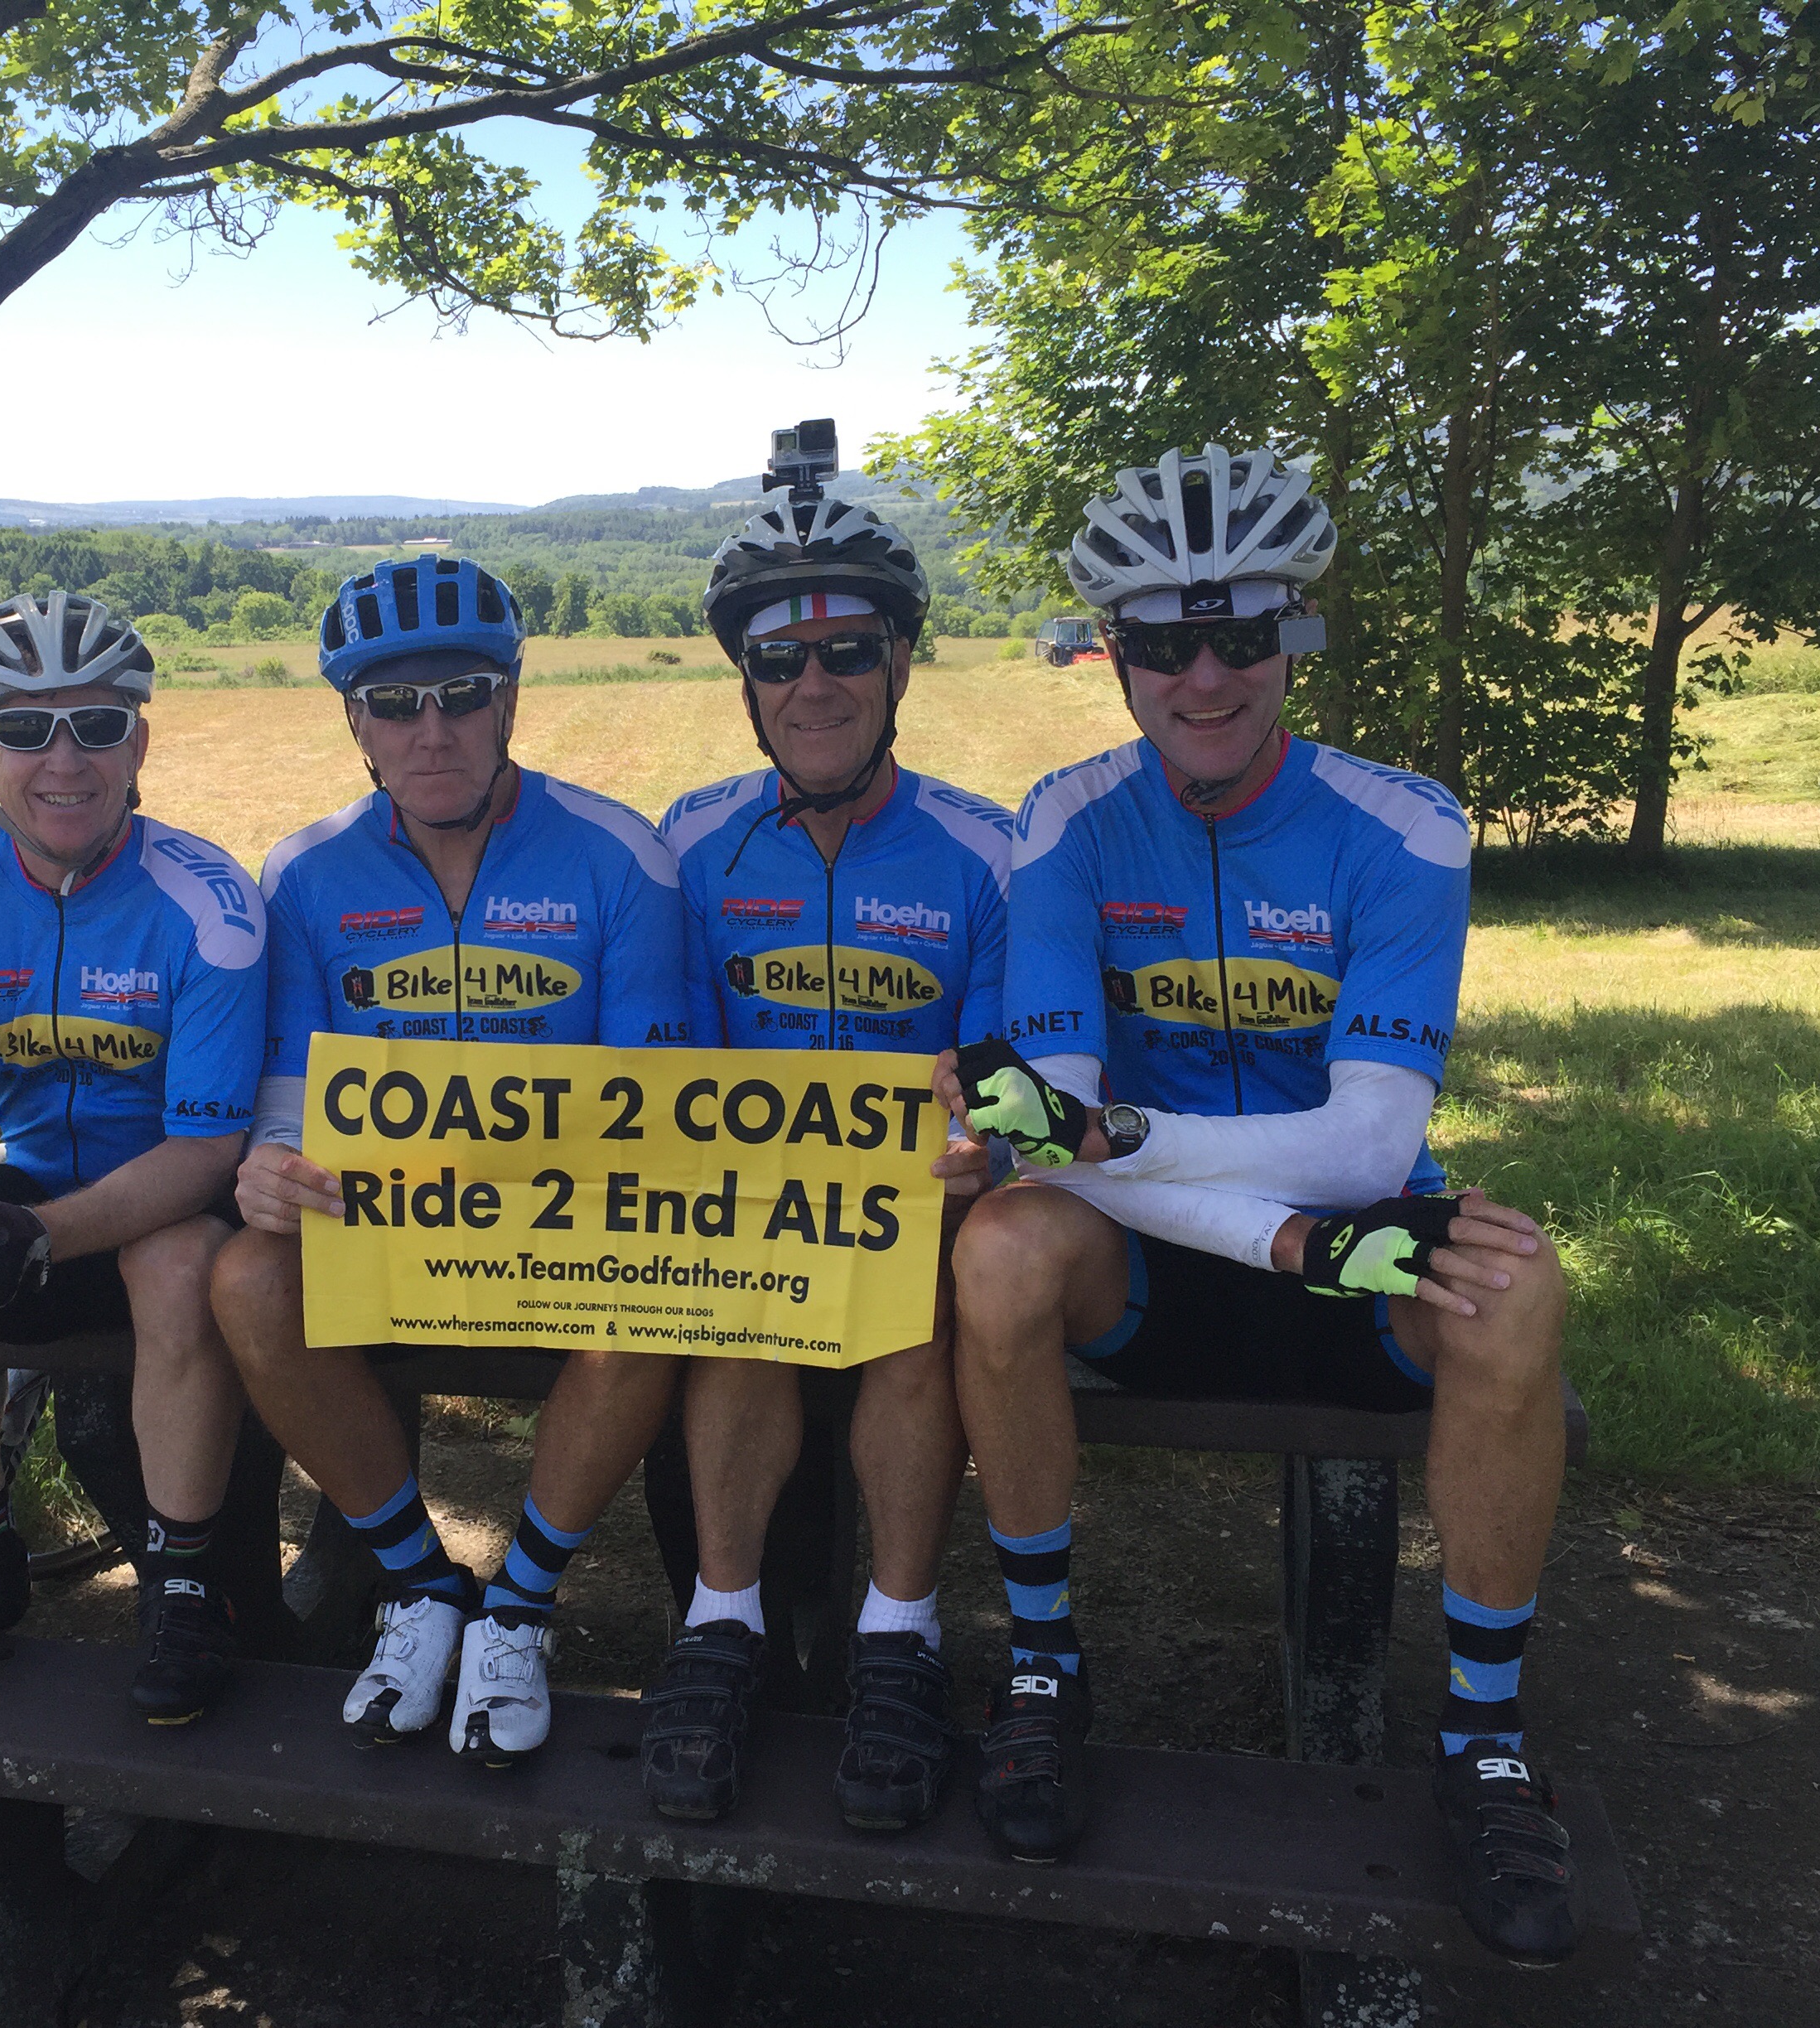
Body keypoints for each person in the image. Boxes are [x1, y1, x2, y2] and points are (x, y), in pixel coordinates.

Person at [934, 445, 1579, 1964]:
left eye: (1240, 635)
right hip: (1166, 1264)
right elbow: (1048, 1153)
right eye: (1164, 643)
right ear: (1117, 656)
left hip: (1356, 1241)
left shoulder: (1404, 827)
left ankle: (1485, 1745)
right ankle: (1043, 1667)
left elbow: (1365, 1149)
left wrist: (1120, 1140)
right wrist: (1267, 1228)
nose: (1205, 677)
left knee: (1515, 1291)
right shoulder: (1066, 821)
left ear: (1295, 636)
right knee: (1003, 1248)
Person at [212, 555, 694, 1767]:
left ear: (510, 699)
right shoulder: (305, 873)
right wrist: (273, 1164)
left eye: (463, 696)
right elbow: (290, 1097)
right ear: (356, 722)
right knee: (246, 1278)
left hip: (568, 1228)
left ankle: (519, 1603)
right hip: (389, 1235)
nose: (431, 732)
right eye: (394, 704)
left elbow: (648, 1105)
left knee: (667, 1288)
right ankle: (424, 1585)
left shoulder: (621, 855)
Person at [642, 437, 1008, 1832]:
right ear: (745, 682)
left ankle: (898, 1640)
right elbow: (667, 1070)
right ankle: (722, 1626)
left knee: (912, 1296)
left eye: (849, 651)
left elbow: (1004, 1077)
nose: (816, 684)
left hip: (920, 1216)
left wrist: (976, 1147)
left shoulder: (988, 850)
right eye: (780, 660)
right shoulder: (690, 843)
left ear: (901, 664)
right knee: (742, 1286)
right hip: (746, 1214)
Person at [0, 590, 265, 1724]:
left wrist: (39, 1236)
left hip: (172, 1197)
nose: (64, 760)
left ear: (140, 745)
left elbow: (207, 1147)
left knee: (174, 1265)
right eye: (26, 730)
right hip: (32, 1181)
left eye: (97, 726)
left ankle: (185, 1583)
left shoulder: (210, 904)